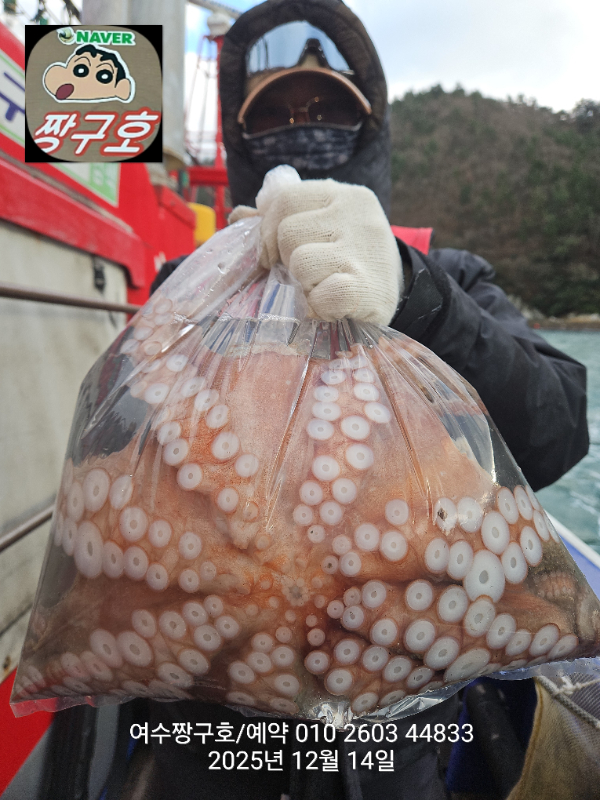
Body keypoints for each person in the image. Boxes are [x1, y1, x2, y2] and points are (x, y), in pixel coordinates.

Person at [149, 1, 589, 797]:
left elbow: (557, 430)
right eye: (274, 115)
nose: (301, 127)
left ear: (369, 129)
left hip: (398, 728)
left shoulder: (447, 274)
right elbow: (127, 456)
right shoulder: (187, 284)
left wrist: (416, 295)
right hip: (209, 724)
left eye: (326, 109)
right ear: (244, 144)